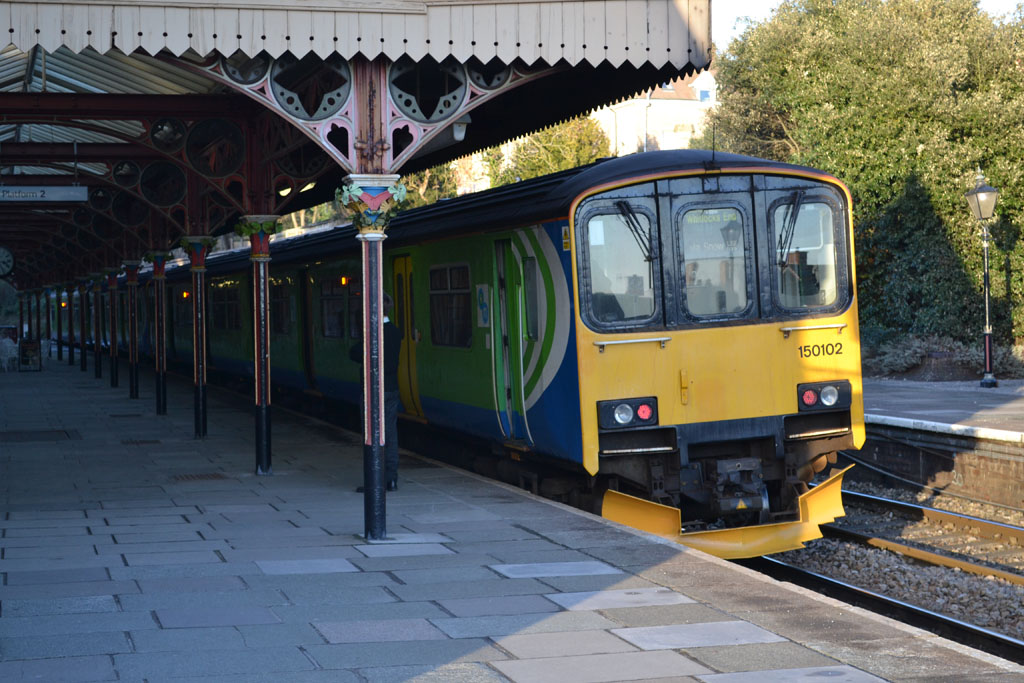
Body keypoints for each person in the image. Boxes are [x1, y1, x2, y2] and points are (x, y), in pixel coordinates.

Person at [350, 292, 404, 491]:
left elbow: (354, 353)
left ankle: (375, 479)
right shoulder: (396, 332)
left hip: (374, 389)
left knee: (372, 434)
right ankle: (391, 478)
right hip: (391, 388)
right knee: (391, 434)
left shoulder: (373, 332)